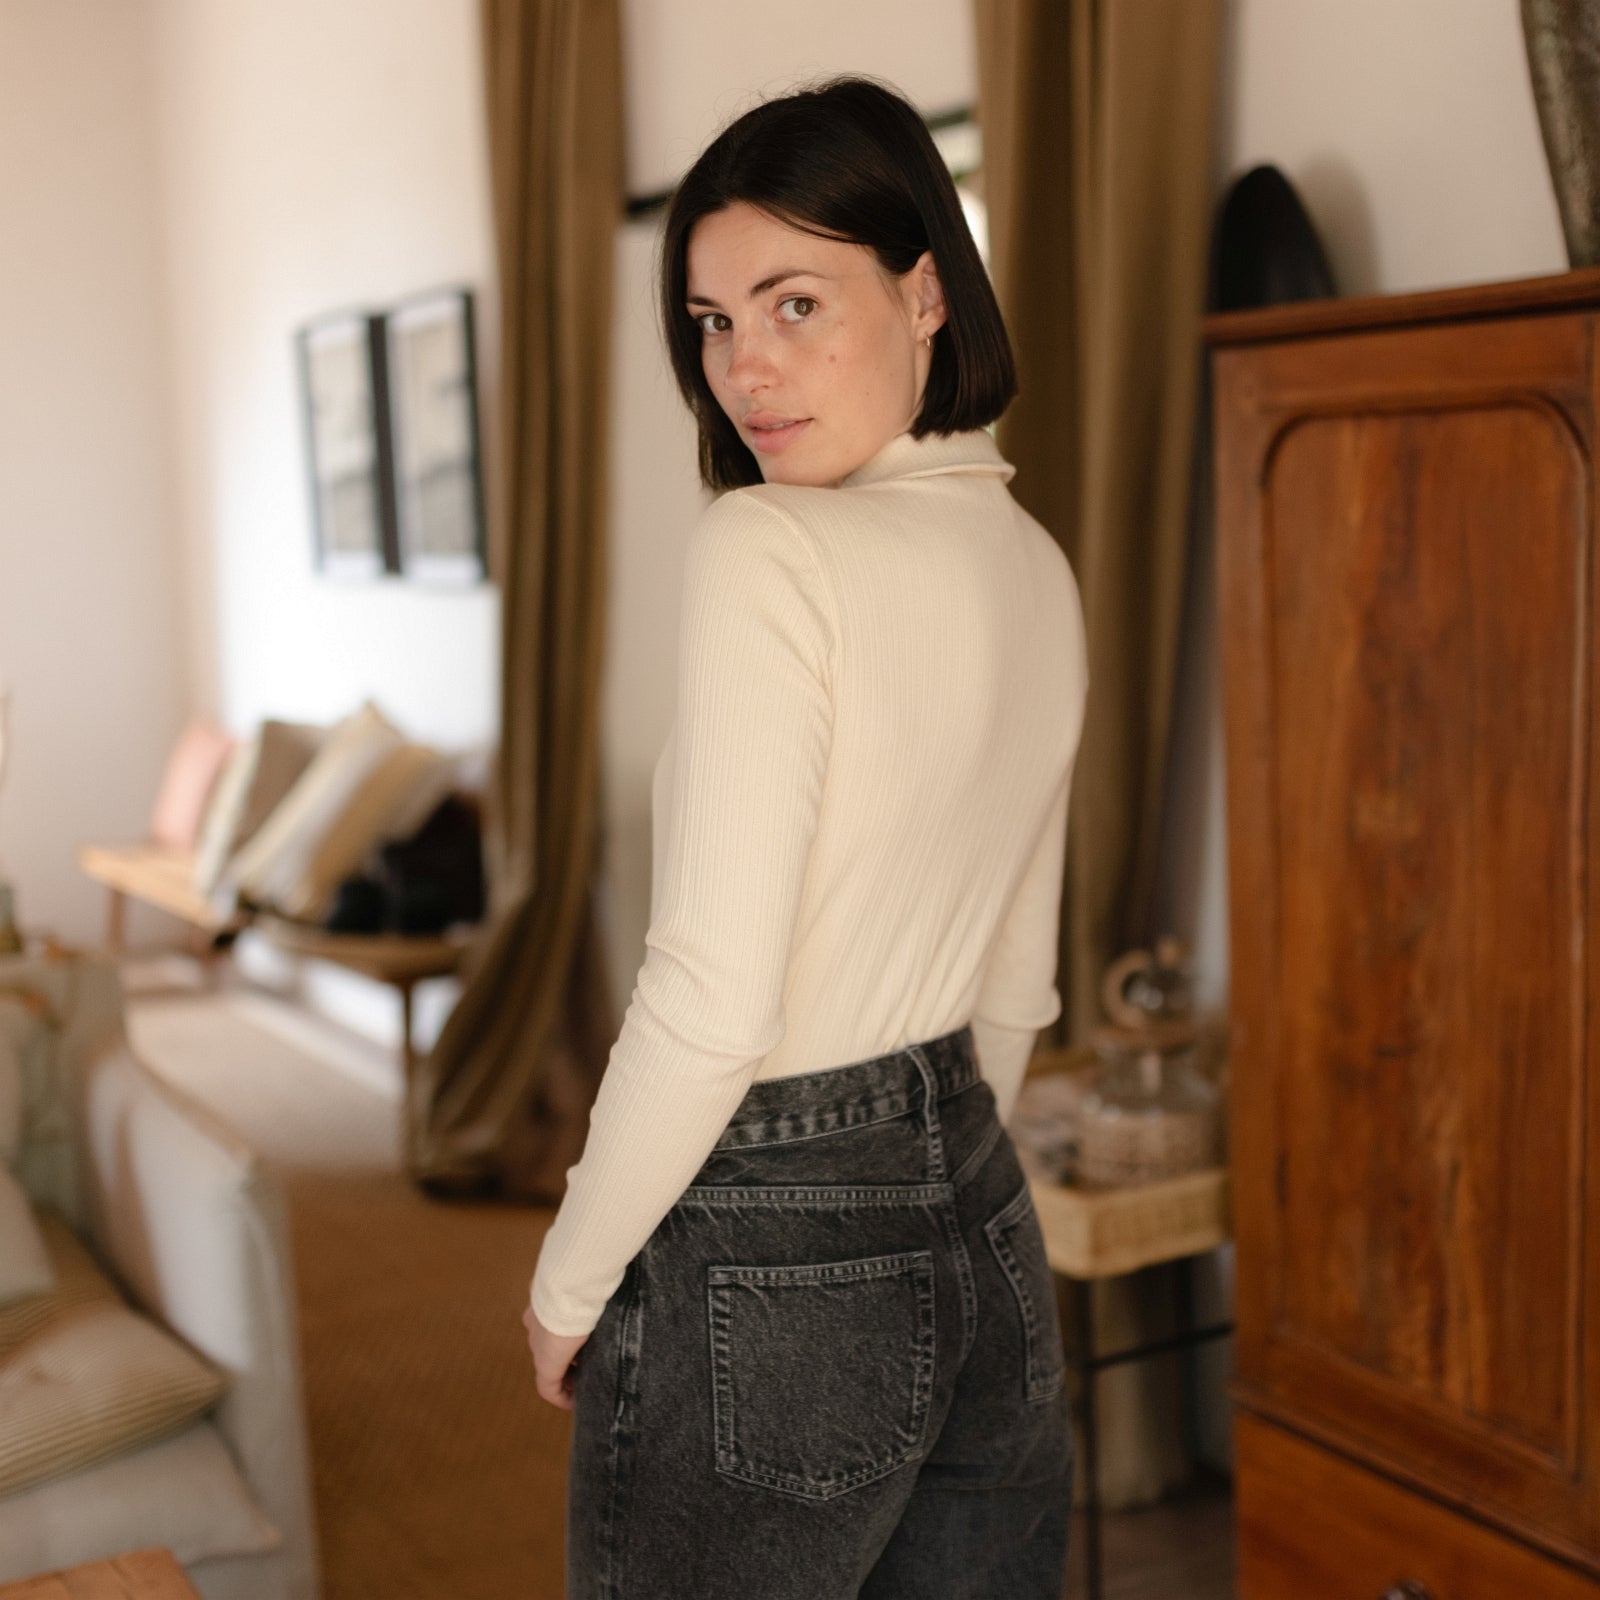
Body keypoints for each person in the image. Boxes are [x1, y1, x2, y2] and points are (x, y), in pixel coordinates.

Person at [522, 73, 1088, 1600]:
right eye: (713, 323)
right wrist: (930, 1180)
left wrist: (571, 1276)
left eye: (793, 305)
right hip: (985, 1213)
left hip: (775, 1240)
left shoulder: (766, 547)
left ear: (926, 292)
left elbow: (713, 997)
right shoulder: (1038, 568)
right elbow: (1017, 988)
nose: (744, 371)